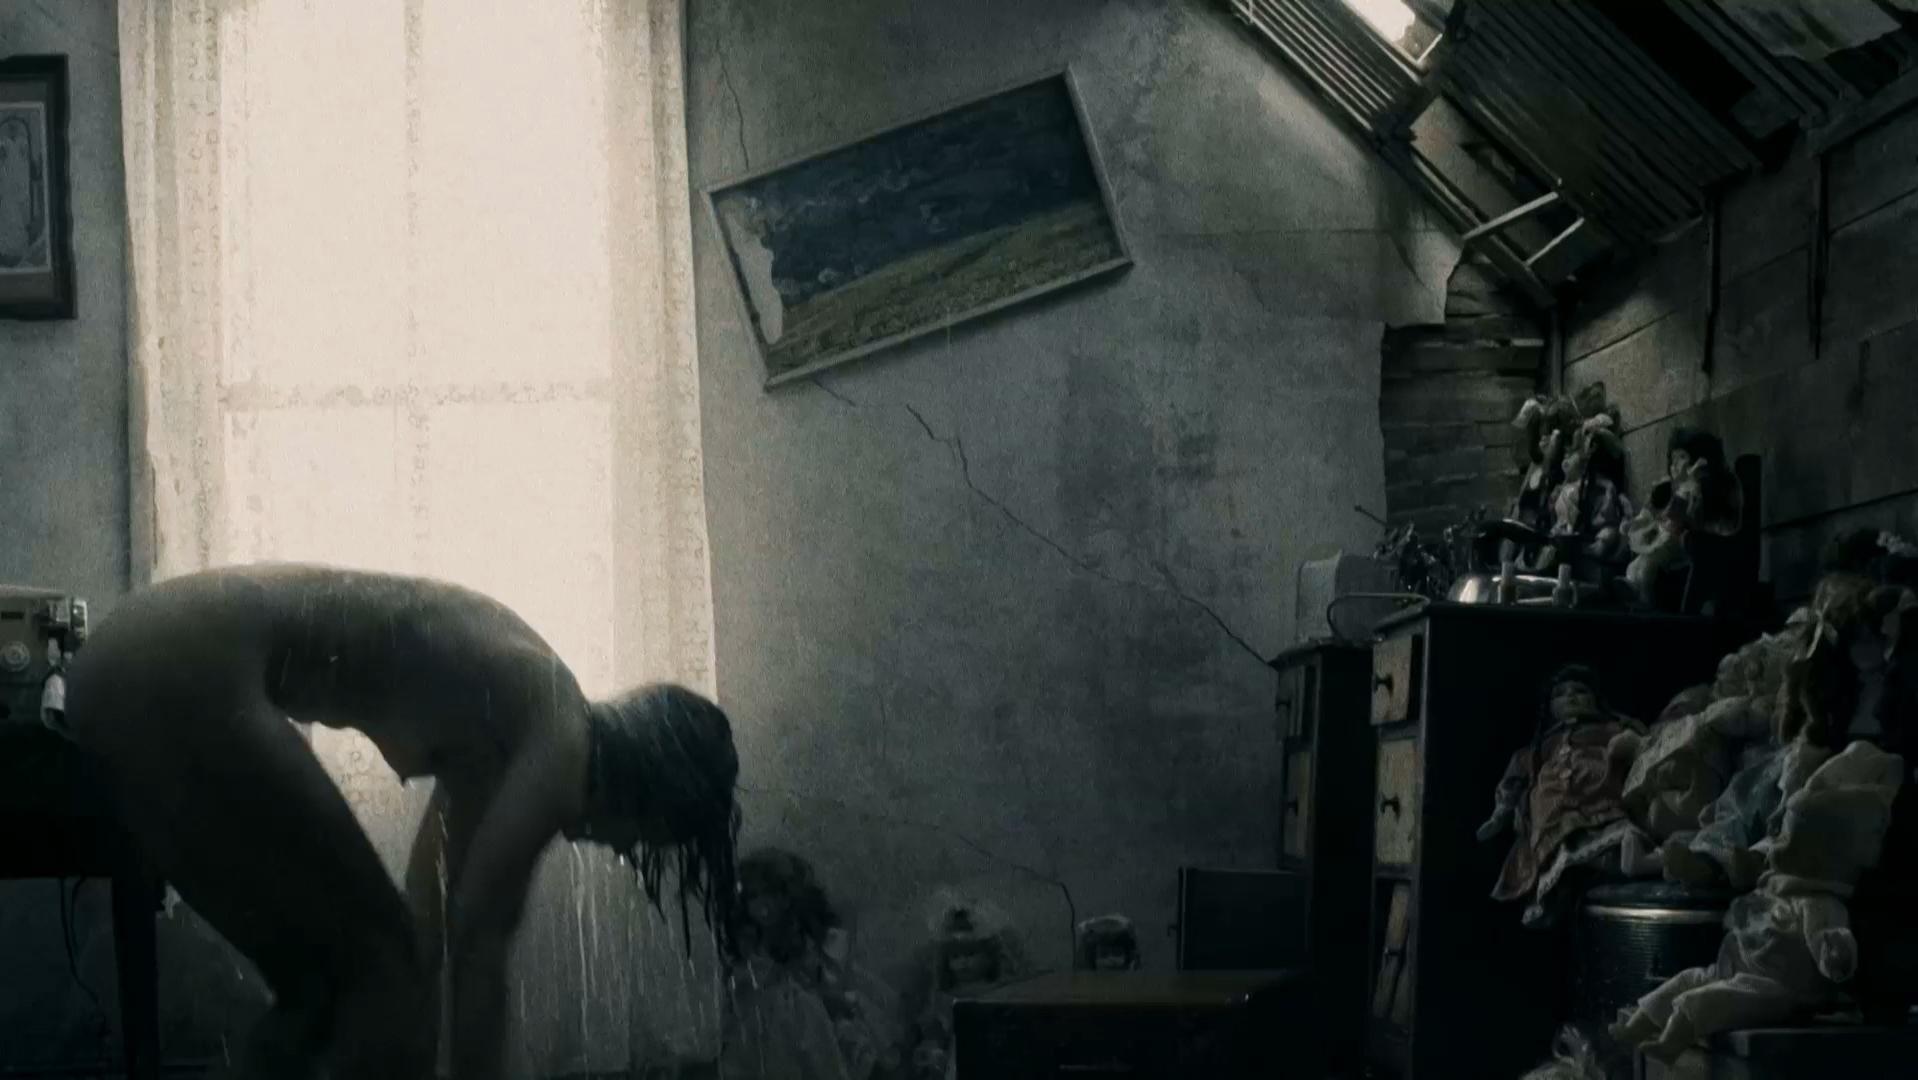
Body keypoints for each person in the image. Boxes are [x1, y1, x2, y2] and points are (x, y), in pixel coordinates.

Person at [63, 563, 742, 1080]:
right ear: (654, 788)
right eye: (647, 836)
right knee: (378, 982)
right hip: (176, 662)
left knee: (323, 996)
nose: (621, 847)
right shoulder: (563, 736)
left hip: (123, 660)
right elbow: (480, 946)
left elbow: (428, 924)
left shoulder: (505, 724)